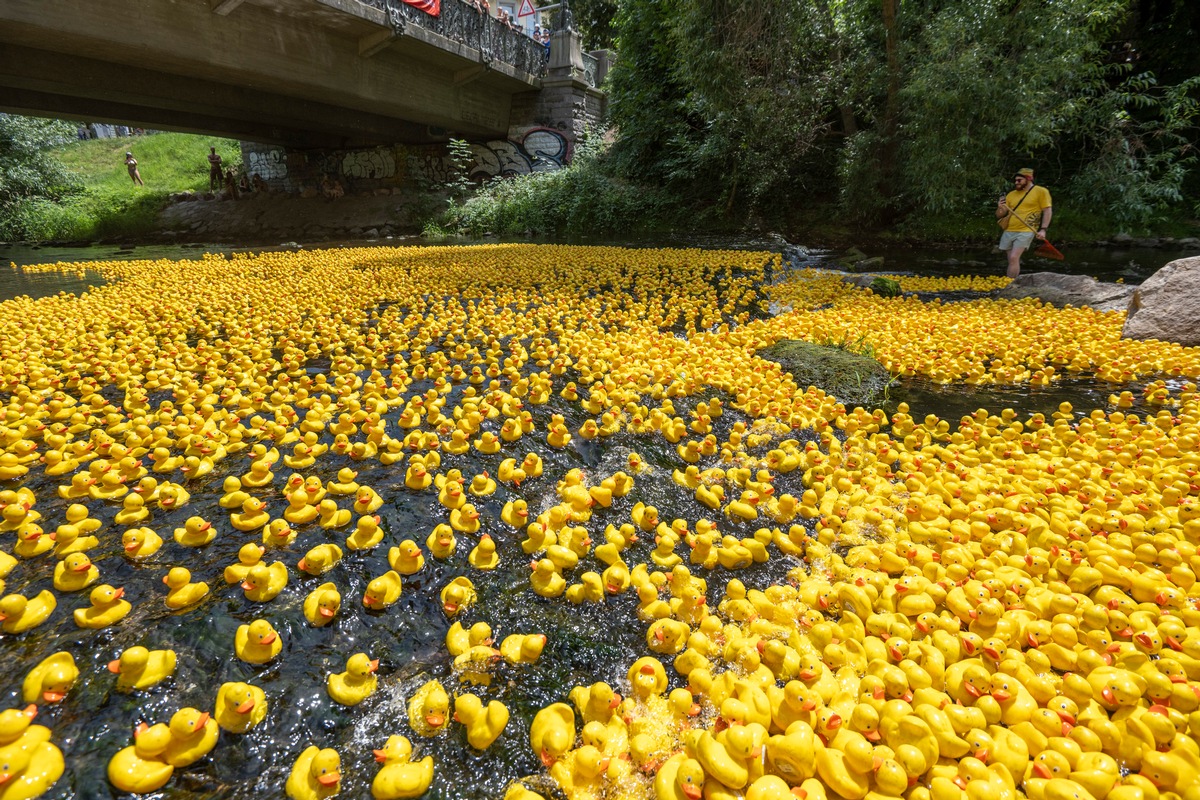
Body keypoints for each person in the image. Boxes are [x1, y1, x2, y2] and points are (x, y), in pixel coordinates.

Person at [996, 167, 1052, 279]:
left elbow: (1047, 210)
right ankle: (1011, 282)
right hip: (1009, 229)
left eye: (1019, 180)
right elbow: (999, 215)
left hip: (1027, 230)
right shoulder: (1011, 194)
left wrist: (1043, 229)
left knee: (1013, 257)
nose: (1016, 183)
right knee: (1011, 259)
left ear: (1028, 179)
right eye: (1015, 180)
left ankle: (1010, 284)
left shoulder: (1041, 192)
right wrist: (1000, 207)